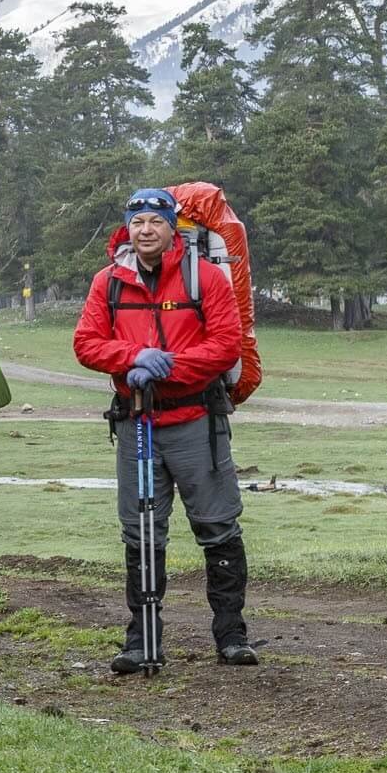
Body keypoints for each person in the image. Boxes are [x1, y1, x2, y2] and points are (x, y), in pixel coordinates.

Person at [73, 187, 256, 673]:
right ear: (128, 230)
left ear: (172, 227)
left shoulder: (207, 278)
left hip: (196, 420)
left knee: (217, 524)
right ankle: (141, 640)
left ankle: (232, 635)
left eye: (155, 221)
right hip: (138, 422)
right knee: (140, 533)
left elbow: (225, 346)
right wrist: (131, 357)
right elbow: (86, 344)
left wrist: (164, 368)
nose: (146, 230)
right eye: (138, 223)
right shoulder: (108, 282)